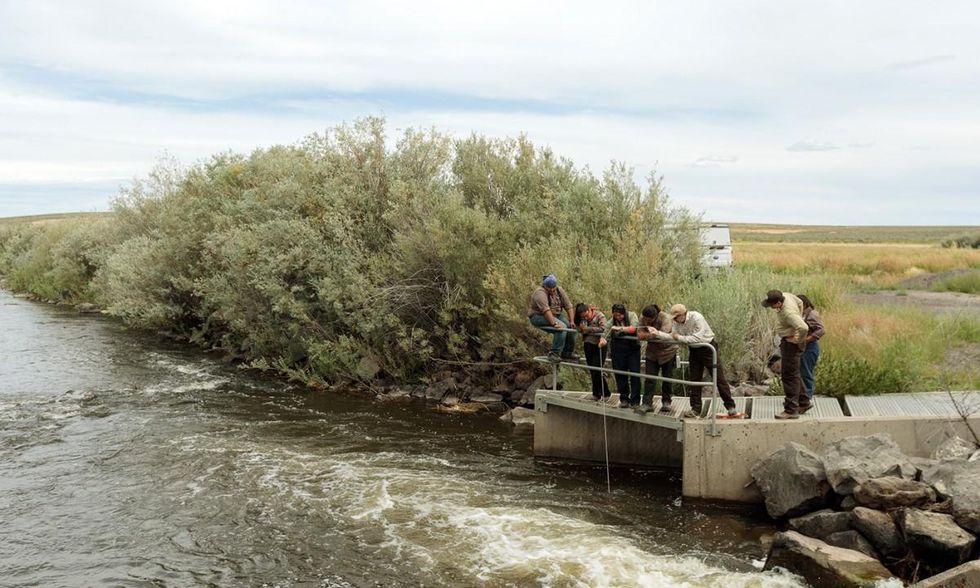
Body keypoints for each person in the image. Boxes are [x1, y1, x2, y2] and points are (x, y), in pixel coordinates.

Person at [648, 304, 738, 419]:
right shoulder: (676, 323)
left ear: (682, 315)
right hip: (694, 350)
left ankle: (730, 406)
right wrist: (658, 333)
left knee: (718, 378)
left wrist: (680, 338)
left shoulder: (697, 318)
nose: (674, 320)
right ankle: (695, 409)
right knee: (694, 379)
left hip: (708, 349)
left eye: (675, 317)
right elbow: (673, 336)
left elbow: (696, 338)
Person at [762, 290, 810, 419]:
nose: (771, 307)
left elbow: (804, 327)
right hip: (789, 340)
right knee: (794, 373)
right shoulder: (786, 295)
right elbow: (800, 302)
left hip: (791, 344)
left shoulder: (788, 313)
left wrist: (797, 339)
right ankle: (804, 402)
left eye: (772, 305)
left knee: (789, 377)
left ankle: (791, 410)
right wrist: (799, 316)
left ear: (778, 302)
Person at [637, 304, 678, 413]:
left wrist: (648, 335)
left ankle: (666, 402)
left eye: (649, 320)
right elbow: (639, 333)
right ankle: (647, 403)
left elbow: (662, 335)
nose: (647, 322)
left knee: (667, 378)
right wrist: (649, 335)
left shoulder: (665, 318)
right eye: (645, 319)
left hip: (668, 352)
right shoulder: (642, 317)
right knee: (649, 378)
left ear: (655, 316)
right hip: (652, 352)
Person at [527, 274, 577, 363]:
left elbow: (568, 306)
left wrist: (572, 321)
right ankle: (554, 354)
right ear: (545, 286)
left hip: (556, 315)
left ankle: (567, 353)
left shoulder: (559, 290)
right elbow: (546, 310)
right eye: (549, 288)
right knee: (561, 328)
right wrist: (554, 323)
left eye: (553, 288)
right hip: (538, 316)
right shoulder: (540, 293)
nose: (552, 290)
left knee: (571, 328)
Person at [602, 303, 641, 408]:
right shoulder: (612, 321)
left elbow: (633, 328)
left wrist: (619, 329)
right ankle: (624, 399)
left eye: (619, 315)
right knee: (620, 375)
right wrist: (602, 340)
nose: (618, 317)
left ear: (624, 313)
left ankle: (635, 400)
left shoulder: (632, 316)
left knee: (635, 375)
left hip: (633, 350)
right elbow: (605, 333)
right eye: (615, 315)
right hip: (618, 351)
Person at [575, 302, 611, 401]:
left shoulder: (600, 316)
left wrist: (589, 329)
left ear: (589, 310)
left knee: (597, 369)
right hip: (588, 344)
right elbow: (578, 328)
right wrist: (580, 328)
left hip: (599, 345)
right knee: (592, 370)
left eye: (586, 316)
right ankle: (596, 394)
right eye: (583, 317)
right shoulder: (582, 319)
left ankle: (606, 393)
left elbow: (604, 328)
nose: (585, 318)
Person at [798, 294, 825, 401]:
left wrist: (806, 339)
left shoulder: (812, 314)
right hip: (804, 348)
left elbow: (821, 330)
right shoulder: (803, 314)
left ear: (804, 304)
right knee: (801, 373)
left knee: (806, 373)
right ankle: (801, 397)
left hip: (810, 348)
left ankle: (806, 398)